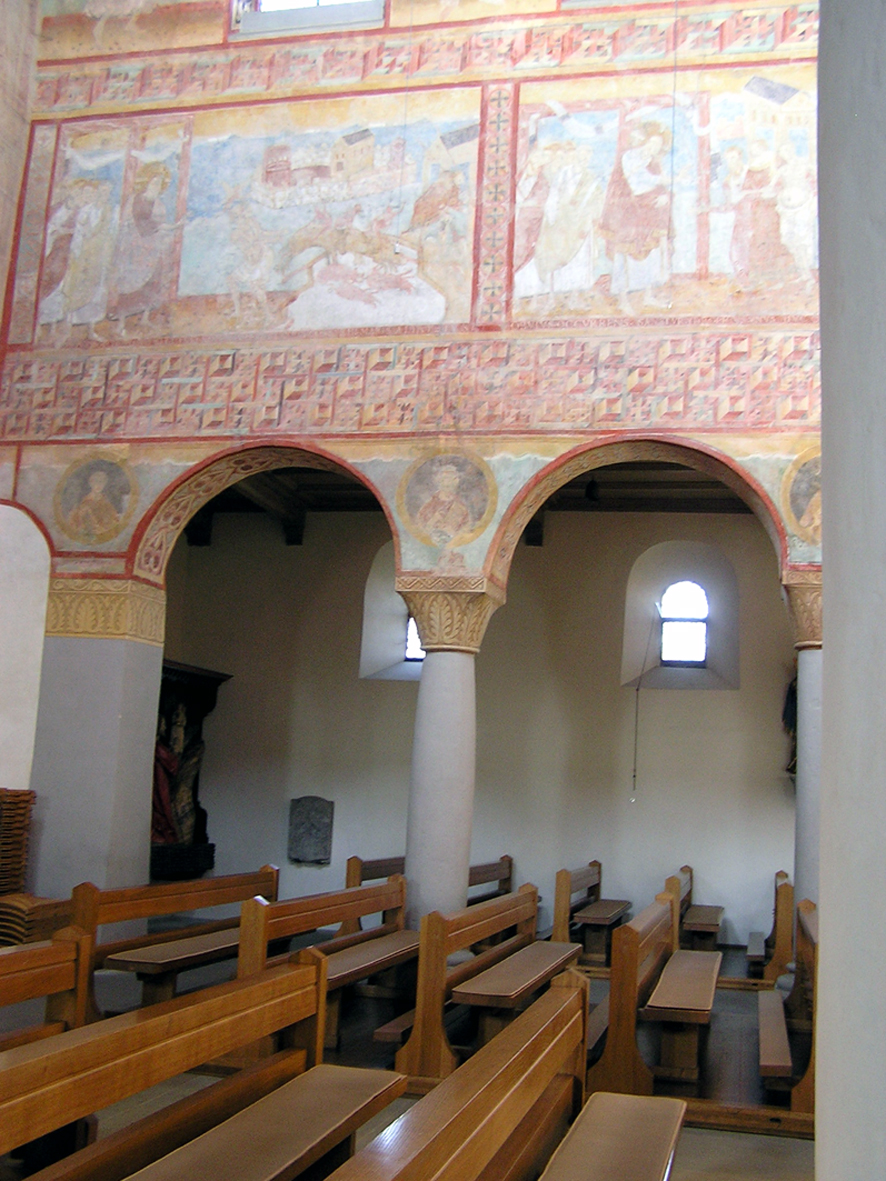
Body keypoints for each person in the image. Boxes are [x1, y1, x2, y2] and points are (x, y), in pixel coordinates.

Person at [599, 121, 673, 315]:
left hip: (648, 214)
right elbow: (635, 183)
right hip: (628, 214)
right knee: (625, 254)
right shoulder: (629, 157)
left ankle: (648, 296)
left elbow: (662, 186)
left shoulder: (654, 162)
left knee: (651, 253)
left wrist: (664, 195)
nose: (654, 148)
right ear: (644, 141)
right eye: (652, 143)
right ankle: (623, 300)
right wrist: (660, 181)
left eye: (658, 145)